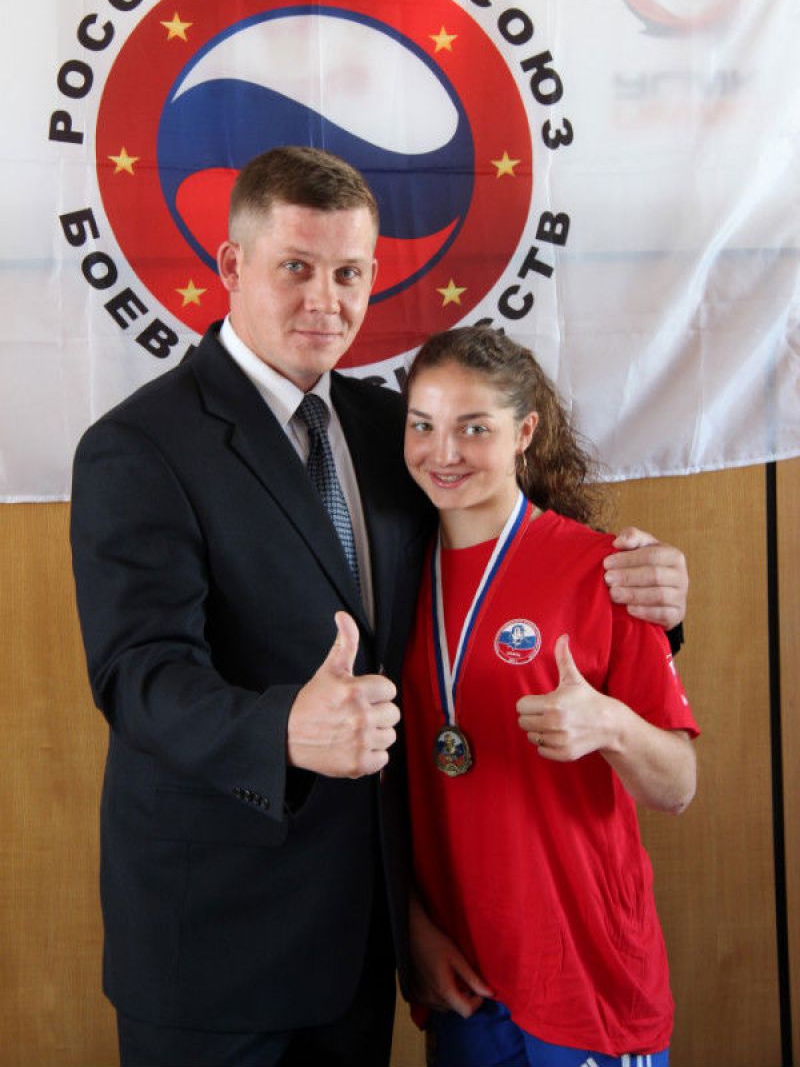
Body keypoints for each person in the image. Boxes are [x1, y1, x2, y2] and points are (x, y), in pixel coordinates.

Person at [70, 146, 690, 1067]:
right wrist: (284, 727)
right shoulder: (138, 446)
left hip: (362, 942)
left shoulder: (385, 428)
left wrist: (651, 595)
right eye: (296, 267)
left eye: (350, 273)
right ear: (232, 265)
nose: (326, 299)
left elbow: (507, 569)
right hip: (214, 947)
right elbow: (139, 677)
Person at [401, 327, 699, 1067]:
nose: (444, 452)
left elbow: (678, 787)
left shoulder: (606, 571)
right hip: (466, 978)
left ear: (525, 432)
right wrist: (412, 927)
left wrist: (612, 725)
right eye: (423, 426)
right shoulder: (390, 577)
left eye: (475, 428)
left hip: (588, 980)